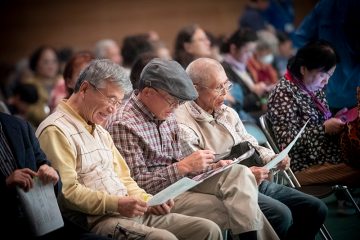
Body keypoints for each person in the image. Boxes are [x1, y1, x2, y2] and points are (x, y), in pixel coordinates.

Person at [35, 59, 222, 240]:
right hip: (94, 220)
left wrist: (148, 201)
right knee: (163, 238)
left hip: (127, 210)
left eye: (118, 103)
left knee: (207, 230)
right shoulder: (56, 130)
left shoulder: (99, 129)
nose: (113, 110)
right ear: (84, 89)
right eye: (111, 99)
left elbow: (125, 178)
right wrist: (117, 204)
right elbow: (66, 193)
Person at [107, 58, 279, 240]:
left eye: (179, 102)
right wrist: (183, 167)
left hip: (181, 183)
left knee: (238, 173)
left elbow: (179, 164)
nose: (176, 107)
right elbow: (135, 185)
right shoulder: (124, 124)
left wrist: (211, 167)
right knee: (232, 207)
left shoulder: (166, 112)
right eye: (172, 100)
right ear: (148, 93)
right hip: (158, 197)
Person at [174, 57, 327, 240]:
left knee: (316, 208)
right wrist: (245, 175)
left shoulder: (226, 112)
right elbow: (200, 176)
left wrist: (271, 157)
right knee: (281, 215)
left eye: (227, 85)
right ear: (195, 88)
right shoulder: (182, 124)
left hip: (253, 178)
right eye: (217, 88)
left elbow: (249, 141)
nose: (225, 93)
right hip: (226, 189)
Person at [0, 112, 110, 240]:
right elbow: (70, 193)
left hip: (44, 219)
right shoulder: (53, 128)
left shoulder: (18, 125)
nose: (112, 108)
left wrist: (51, 174)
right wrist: (6, 183)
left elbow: (44, 165)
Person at [267, 40, 360, 186]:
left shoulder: (312, 87)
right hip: (302, 164)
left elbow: (317, 123)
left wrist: (334, 120)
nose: (326, 82)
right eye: (323, 75)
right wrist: (323, 129)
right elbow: (286, 143)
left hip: (325, 154)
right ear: (304, 69)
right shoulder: (283, 94)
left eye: (330, 76)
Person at [293, 0, 360, 113]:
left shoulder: (326, 5)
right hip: (338, 96)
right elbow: (301, 39)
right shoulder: (327, 5)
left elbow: (301, 39)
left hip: (325, 94)